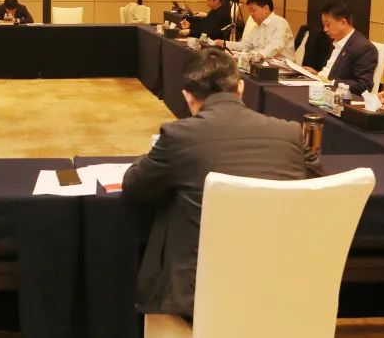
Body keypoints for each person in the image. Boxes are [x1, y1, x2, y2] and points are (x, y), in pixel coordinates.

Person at [122, 48, 321, 322]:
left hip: (201, 295)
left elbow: (135, 186)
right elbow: (318, 184)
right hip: (282, 286)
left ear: (187, 96)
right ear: (241, 88)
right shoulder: (289, 133)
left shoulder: (179, 137)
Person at [303, 2, 377, 95]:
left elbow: (364, 86)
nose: (325, 29)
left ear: (343, 23)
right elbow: (331, 72)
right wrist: (317, 74)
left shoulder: (364, 48)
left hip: (339, 97)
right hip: (322, 88)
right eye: (323, 25)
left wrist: (332, 82)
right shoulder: (335, 41)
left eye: (328, 24)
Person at [215, 0, 294, 60]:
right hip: (262, 64)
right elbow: (245, 45)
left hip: (281, 67)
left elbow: (276, 45)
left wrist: (260, 55)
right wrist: (224, 43)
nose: (251, 14)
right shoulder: (257, 26)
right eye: (249, 11)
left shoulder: (280, 23)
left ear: (266, 9)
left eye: (253, 10)